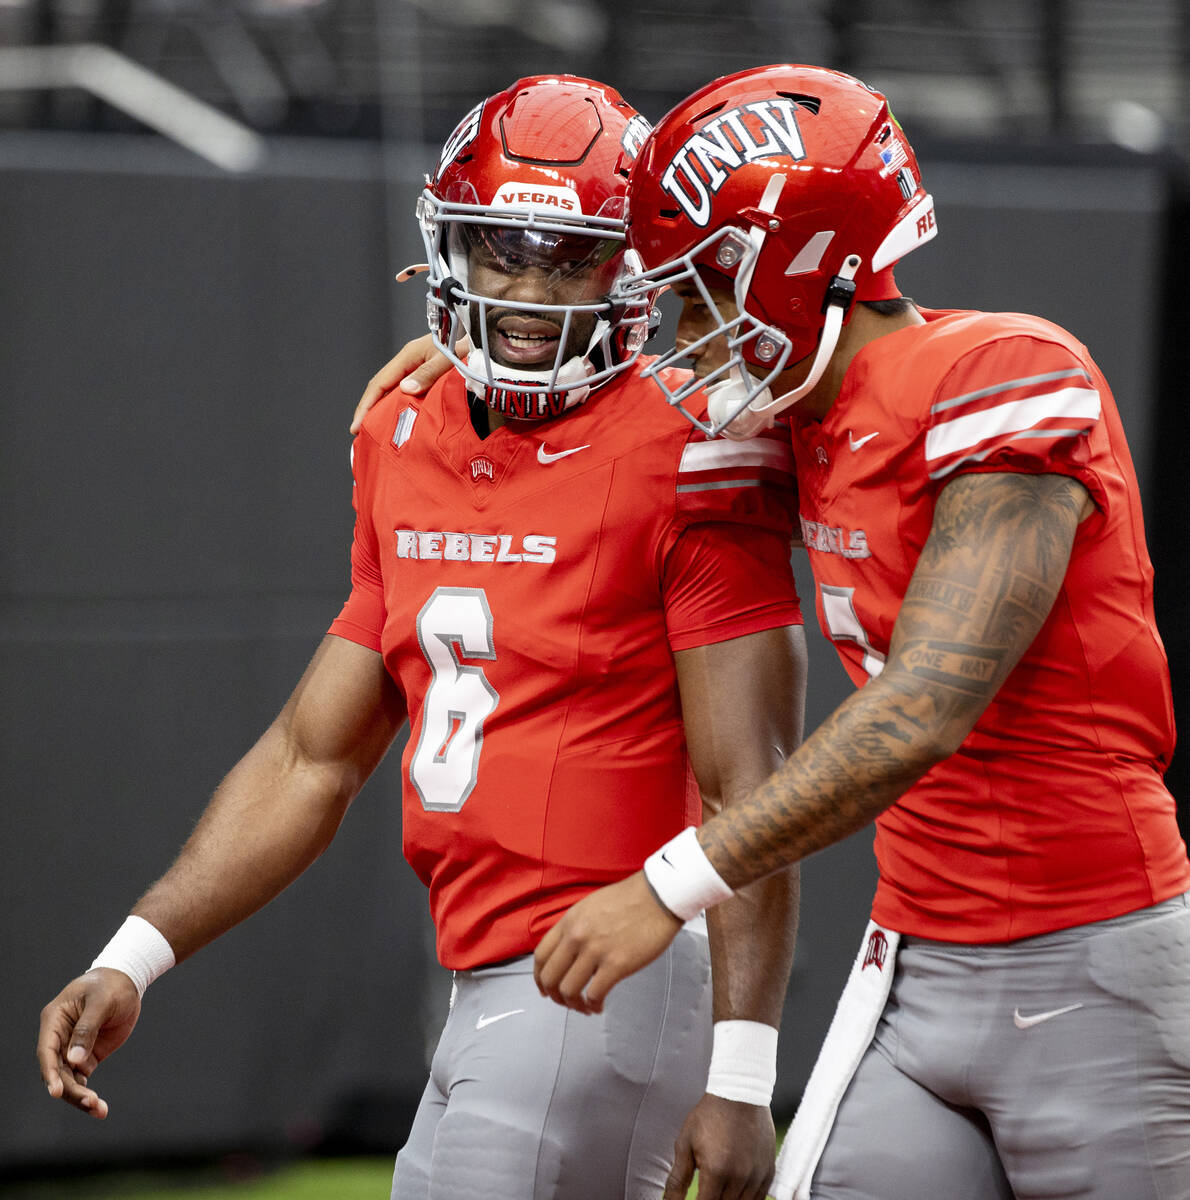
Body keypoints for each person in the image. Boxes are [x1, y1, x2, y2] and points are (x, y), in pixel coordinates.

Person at [36, 76, 808, 1200]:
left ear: (636, 268)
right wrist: (134, 955)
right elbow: (314, 756)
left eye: (568, 258)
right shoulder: (404, 429)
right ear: (447, 250)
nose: (528, 294)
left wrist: (742, 1070)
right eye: (502, 251)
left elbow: (753, 788)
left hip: (605, 976)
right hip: (481, 985)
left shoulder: (693, 444)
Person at [531, 64, 1190, 1200]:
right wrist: (454, 371)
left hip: (1093, 960)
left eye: (696, 293)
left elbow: (926, 706)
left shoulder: (1000, 371)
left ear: (783, 266)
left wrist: (666, 885)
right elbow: (592, 453)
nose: (681, 333)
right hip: (913, 963)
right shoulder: (795, 426)